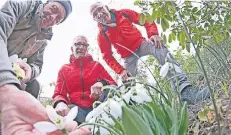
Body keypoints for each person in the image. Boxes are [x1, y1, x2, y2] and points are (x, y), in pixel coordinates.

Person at [89, 2, 210, 104]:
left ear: (106, 7)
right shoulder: (102, 35)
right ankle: (136, 110)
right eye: (95, 14)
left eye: (100, 9)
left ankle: (185, 91)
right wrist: (121, 71)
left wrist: (153, 34)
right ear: (94, 19)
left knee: (159, 47)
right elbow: (107, 56)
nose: (99, 14)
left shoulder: (123, 13)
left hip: (141, 44)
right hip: (127, 56)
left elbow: (145, 19)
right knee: (127, 83)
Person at [0, 0, 72, 98]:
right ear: (46, 3)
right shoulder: (20, 6)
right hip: (3, 67)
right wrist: (5, 76)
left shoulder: (42, 41)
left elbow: (37, 65)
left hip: (12, 69)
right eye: (53, 8)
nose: (53, 17)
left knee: (34, 86)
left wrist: (30, 70)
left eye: (58, 19)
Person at [52, 36, 117, 124]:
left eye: (84, 45)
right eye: (78, 44)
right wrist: (60, 103)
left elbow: (113, 84)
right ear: (72, 48)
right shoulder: (64, 69)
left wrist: (102, 83)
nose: (81, 47)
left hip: (98, 107)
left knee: (113, 90)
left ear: (87, 49)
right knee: (63, 112)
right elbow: (59, 94)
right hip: (78, 111)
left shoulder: (96, 65)